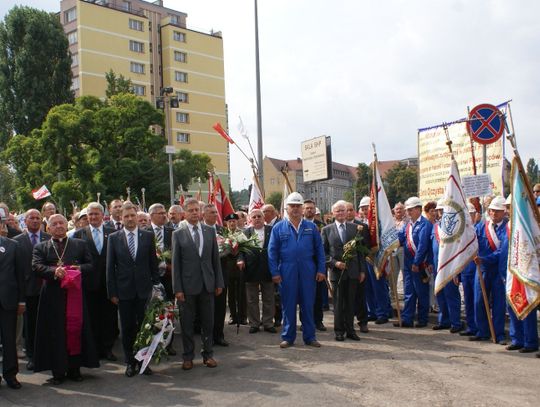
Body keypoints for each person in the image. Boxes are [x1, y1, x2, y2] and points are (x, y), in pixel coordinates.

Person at [32, 214, 99, 385]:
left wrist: (79, 268)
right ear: (48, 228)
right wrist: (53, 271)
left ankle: (75, 369)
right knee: (55, 332)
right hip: (52, 297)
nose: (59, 226)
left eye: (61, 222)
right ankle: (58, 371)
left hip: (75, 295)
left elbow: (91, 265)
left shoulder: (79, 244)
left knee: (75, 330)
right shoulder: (41, 247)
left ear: (66, 225)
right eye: (54, 224)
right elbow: (36, 266)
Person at [106, 202, 160, 377]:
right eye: (126, 216)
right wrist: (112, 292)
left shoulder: (148, 236)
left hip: (144, 290)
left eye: (132, 215)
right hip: (124, 292)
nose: (130, 219)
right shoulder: (113, 238)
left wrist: (157, 286)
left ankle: (144, 361)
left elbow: (153, 264)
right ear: (121, 218)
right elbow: (110, 268)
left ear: (137, 216)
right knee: (127, 328)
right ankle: (130, 362)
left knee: (145, 327)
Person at [268, 192, 326, 348]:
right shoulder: (278, 228)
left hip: (308, 270)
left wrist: (321, 270)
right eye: (292, 206)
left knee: (308, 305)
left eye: (298, 206)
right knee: (288, 305)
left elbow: (320, 251)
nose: (295, 209)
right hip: (287, 270)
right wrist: (275, 272)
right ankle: (288, 337)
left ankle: (310, 337)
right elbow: (272, 252)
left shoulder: (311, 227)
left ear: (302, 209)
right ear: (286, 208)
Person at [172, 198, 224, 370]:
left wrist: (219, 282)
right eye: (191, 210)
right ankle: (188, 356)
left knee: (208, 322)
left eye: (197, 210)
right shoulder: (178, 234)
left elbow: (215, 260)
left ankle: (208, 355)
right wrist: (177, 288)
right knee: (187, 324)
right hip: (187, 287)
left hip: (207, 285)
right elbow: (176, 264)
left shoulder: (209, 231)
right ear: (184, 213)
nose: (194, 213)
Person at [73, 202, 118, 362]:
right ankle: (94, 350)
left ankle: (108, 348)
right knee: (91, 317)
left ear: (102, 215)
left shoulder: (113, 233)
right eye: (90, 214)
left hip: (108, 283)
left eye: (96, 214)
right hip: (88, 283)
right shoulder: (79, 234)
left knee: (109, 317)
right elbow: (76, 259)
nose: (93, 217)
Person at [322, 201, 367, 342]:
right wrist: (335, 263)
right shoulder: (327, 230)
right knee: (338, 303)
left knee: (351, 302)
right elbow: (323, 253)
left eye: (343, 210)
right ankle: (339, 331)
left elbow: (360, 252)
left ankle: (350, 330)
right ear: (333, 213)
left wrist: (362, 271)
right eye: (338, 211)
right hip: (337, 273)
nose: (341, 213)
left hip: (353, 271)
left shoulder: (355, 228)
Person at [13, 209, 50, 371]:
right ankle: (32, 356)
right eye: (31, 218)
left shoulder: (49, 238)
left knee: (48, 323)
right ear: (25, 221)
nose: (35, 220)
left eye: (37, 218)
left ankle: (48, 355)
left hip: (48, 288)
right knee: (31, 326)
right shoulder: (16, 241)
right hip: (28, 290)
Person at [470, 196, 508, 343]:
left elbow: (502, 251)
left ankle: (498, 334)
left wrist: (485, 259)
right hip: (482, 269)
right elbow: (472, 242)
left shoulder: (507, 228)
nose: (494, 213)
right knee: (479, 301)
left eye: (497, 211)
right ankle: (482, 331)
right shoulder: (481, 227)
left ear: (504, 212)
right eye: (492, 210)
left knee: (498, 303)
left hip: (498, 270)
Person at [396, 196, 433, 328]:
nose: (408, 212)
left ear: (418, 209)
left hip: (420, 264)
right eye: (407, 210)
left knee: (421, 292)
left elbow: (422, 246)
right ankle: (407, 318)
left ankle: (423, 319)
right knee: (409, 292)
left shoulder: (425, 224)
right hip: (408, 263)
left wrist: (416, 263)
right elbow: (400, 238)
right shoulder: (408, 225)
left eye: (410, 210)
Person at [237, 209, 276, 334]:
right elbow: (241, 250)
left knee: (268, 298)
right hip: (250, 269)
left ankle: (268, 323)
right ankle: (254, 323)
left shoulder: (272, 230)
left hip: (267, 268)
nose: (257, 219)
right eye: (254, 217)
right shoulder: (245, 233)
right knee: (251, 299)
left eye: (259, 216)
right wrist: (240, 260)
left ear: (264, 218)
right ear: (250, 219)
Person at [146, 203, 176, 355]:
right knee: (152, 312)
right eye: (160, 213)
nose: (164, 216)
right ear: (151, 216)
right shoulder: (144, 232)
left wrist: (171, 266)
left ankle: (168, 343)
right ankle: (152, 343)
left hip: (169, 278)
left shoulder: (173, 232)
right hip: (151, 280)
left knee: (169, 311)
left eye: (165, 213)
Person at [430, 200, 463, 333]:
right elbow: (430, 247)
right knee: (440, 294)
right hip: (437, 266)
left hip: (450, 266)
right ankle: (444, 320)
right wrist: (429, 263)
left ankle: (456, 322)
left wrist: (457, 271)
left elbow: (458, 249)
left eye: (443, 211)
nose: (441, 213)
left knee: (451, 295)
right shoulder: (435, 227)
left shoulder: (455, 227)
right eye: (439, 211)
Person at [0, 213, 25, 389]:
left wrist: (21, 301)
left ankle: (10, 375)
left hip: (8, 301)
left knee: (9, 340)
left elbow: (20, 275)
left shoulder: (13, 245)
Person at [359, 196, 392, 325]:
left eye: (366, 208)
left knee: (379, 287)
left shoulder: (379, 223)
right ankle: (372, 311)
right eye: (362, 208)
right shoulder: (362, 223)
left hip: (378, 257)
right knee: (368, 287)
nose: (364, 210)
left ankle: (383, 312)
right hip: (366, 258)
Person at [345, 201, 370, 333]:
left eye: (351, 210)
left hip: (358, 266)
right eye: (346, 210)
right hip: (343, 267)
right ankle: (346, 323)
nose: (348, 213)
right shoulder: (335, 226)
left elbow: (365, 249)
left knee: (360, 296)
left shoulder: (362, 227)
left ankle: (363, 322)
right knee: (345, 298)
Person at [303, 199, 327, 331]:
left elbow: (323, 247)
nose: (309, 210)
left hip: (317, 265)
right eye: (307, 208)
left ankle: (318, 321)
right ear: (303, 210)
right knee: (304, 296)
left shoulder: (322, 226)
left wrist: (322, 268)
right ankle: (305, 321)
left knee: (318, 295)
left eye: (311, 208)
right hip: (303, 265)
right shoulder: (298, 224)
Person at [222, 213, 248, 326]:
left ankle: (243, 316)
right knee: (231, 293)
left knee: (241, 293)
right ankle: (233, 316)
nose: (232, 223)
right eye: (230, 222)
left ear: (237, 222)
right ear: (226, 223)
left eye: (234, 221)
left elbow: (245, 249)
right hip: (227, 266)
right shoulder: (223, 234)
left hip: (239, 266)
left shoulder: (242, 234)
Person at [459, 203, 480, 337]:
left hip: (477, 270)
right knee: (468, 300)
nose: (468, 217)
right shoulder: (461, 232)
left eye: (470, 214)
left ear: (475, 215)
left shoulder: (480, 228)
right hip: (465, 270)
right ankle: (471, 327)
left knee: (477, 301)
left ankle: (480, 327)